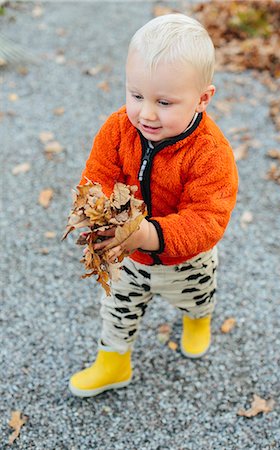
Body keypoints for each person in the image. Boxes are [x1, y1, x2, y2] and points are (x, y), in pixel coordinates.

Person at [69, 13, 238, 397]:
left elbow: (207, 219)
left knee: (197, 297)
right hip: (128, 259)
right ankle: (113, 362)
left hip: (186, 260)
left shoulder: (211, 154)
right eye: (136, 95)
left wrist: (151, 233)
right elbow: (97, 175)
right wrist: (95, 212)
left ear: (202, 99)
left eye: (164, 101)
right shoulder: (118, 129)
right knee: (117, 310)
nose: (146, 113)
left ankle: (197, 321)